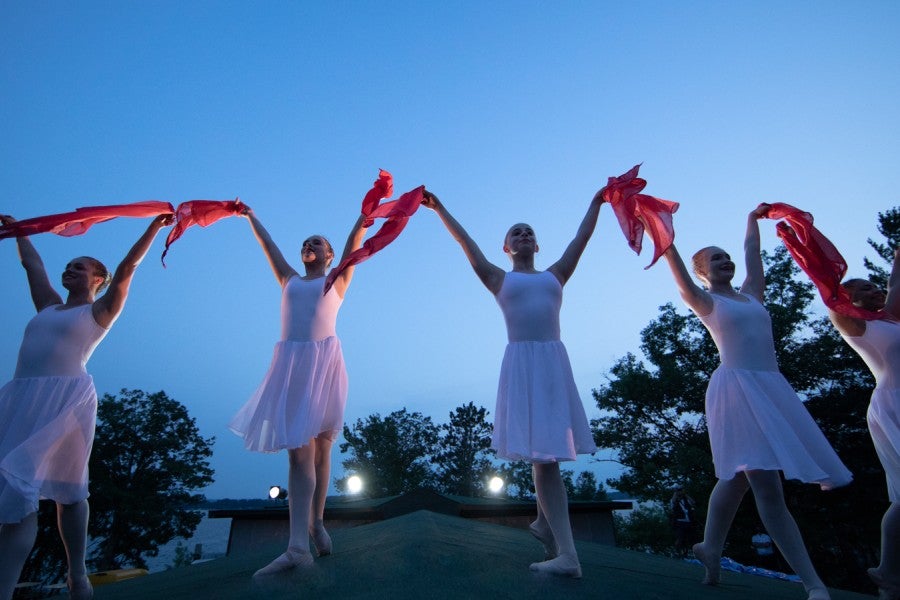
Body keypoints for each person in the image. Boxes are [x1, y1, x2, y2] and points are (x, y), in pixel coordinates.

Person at [660, 203, 852, 600]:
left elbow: (752, 252)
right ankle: (813, 583)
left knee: (735, 480)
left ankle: (710, 549)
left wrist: (751, 218)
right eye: (716, 259)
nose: (726, 261)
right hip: (736, 392)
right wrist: (661, 233)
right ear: (701, 272)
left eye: (726, 257)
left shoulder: (752, 295)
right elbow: (675, 264)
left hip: (770, 388)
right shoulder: (707, 301)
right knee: (766, 485)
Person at [422, 187, 603, 578]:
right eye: (515, 233)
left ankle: (544, 523)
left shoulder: (556, 275)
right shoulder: (498, 279)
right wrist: (439, 208)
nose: (523, 236)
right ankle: (567, 554)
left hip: (553, 364)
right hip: (522, 366)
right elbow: (464, 241)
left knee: (549, 454)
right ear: (505, 247)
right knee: (545, 457)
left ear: (537, 243)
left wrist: (596, 202)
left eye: (528, 232)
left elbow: (581, 238)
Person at [0, 213, 173, 600]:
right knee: (20, 489)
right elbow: (33, 264)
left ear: (98, 279)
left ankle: (75, 573)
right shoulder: (47, 306)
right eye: (69, 265)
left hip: (66, 403)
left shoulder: (99, 312)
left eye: (80, 267)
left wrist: (154, 228)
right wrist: (19, 231)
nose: (70, 269)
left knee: (65, 490)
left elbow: (128, 266)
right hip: (21, 401)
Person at [228, 205, 368, 576]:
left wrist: (364, 214)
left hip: (325, 365)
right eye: (305, 242)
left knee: (322, 452)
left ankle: (316, 522)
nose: (309, 244)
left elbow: (357, 242)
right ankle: (296, 547)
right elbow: (268, 245)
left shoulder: (336, 280)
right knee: (297, 454)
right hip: (292, 370)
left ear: (329, 255)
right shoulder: (289, 280)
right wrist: (250, 216)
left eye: (317, 243)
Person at [827, 249, 900, 599]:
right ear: (852, 300)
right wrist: (829, 283)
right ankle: (888, 572)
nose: (877, 292)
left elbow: (895, 282)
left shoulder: (891, 317)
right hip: (893, 405)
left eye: (877, 288)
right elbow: (833, 303)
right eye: (868, 290)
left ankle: (888, 574)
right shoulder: (858, 326)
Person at [669, 486, 697, 558]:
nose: (680, 492)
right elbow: (673, 501)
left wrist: (685, 494)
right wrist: (675, 492)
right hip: (679, 522)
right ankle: (676, 552)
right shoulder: (674, 501)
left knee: (687, 538)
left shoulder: (685, 500)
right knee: (680, 537)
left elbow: (693, 503)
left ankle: (685, 553)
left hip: (688, 522)